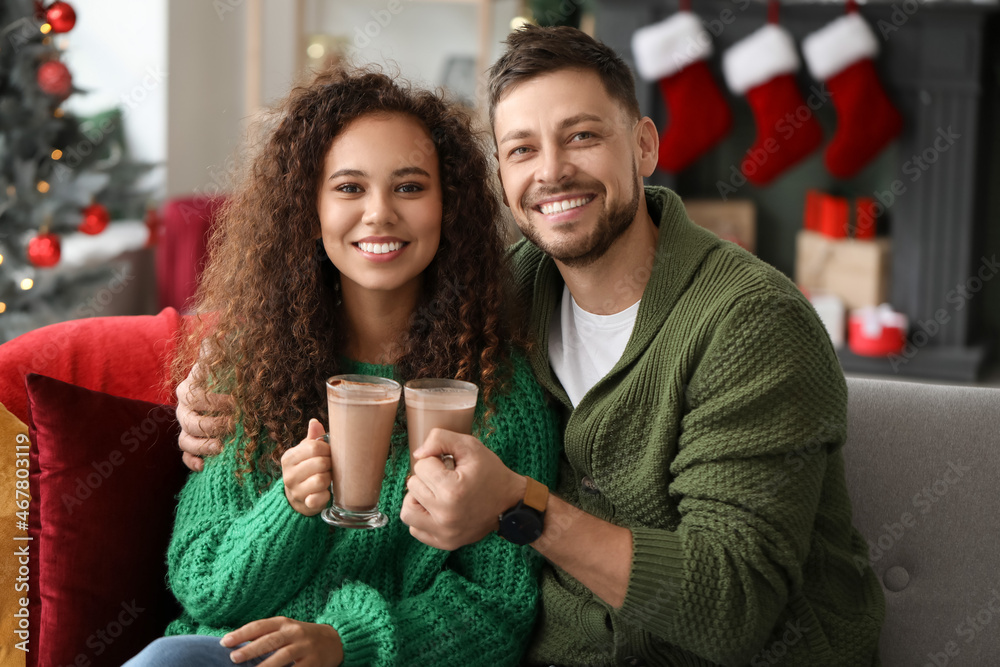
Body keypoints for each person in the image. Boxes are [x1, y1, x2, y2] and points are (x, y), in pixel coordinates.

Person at [179, 28, 885, 667]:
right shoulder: (508, 298)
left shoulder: (748, 324)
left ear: (643, 145)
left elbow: (732, 608)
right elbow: (343, 297)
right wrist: (211, 375)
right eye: (521, 148)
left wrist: (520, 506)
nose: (551, 173)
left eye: (581, 136)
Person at [127, 67, 559, 667]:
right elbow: (202, 582)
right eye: (349, 188)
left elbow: (495, 609)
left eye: (409, 187)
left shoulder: (497, 394)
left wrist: (342, 644)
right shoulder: (248, 368)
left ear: (449, 206)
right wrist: (289, 507)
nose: (379, 213)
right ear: (309, 208)